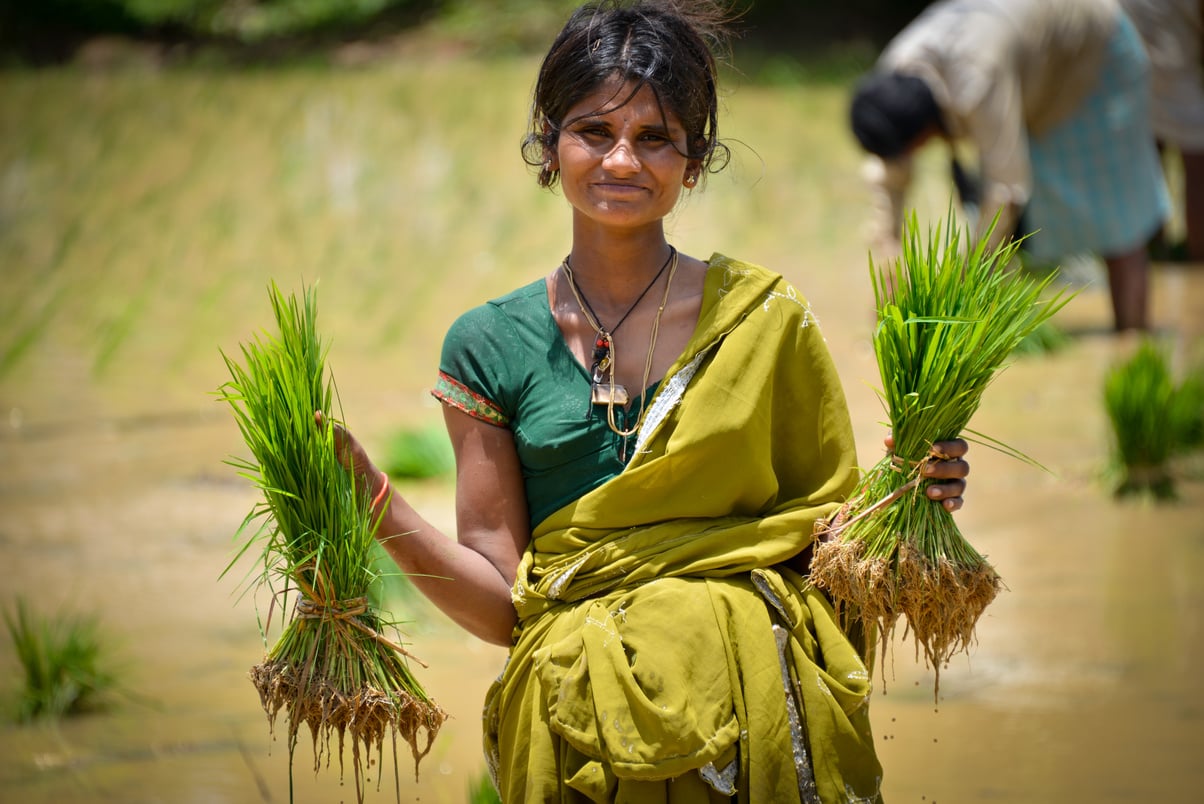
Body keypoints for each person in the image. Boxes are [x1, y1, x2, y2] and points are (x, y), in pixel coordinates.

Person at [329, 2, 970, 800]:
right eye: (594, 132)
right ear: (549, 143)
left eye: (656, 137)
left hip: (755, 723)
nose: (623, 160)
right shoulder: (488, 345)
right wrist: (373, 498)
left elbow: (822, 551)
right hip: (579, 740)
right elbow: (504, 607)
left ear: (694, 160)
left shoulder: (764, 321)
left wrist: (910, 497)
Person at [849, 0, 1172, 332]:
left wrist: (964, 283)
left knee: (1118, 220)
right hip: (1032, 66)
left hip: (1094, 56)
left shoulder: (978, 80)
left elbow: (1007, 191)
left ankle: (1132, 338)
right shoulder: (896, 73)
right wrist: (889, 260)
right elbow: (887, 178)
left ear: (922, 135)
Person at [1120, 0, 1204, 262]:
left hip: (1136, 76)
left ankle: (1155, 254)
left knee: (1147, 173)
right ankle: (1196, 257)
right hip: (1179, 74)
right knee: (1197, 177)